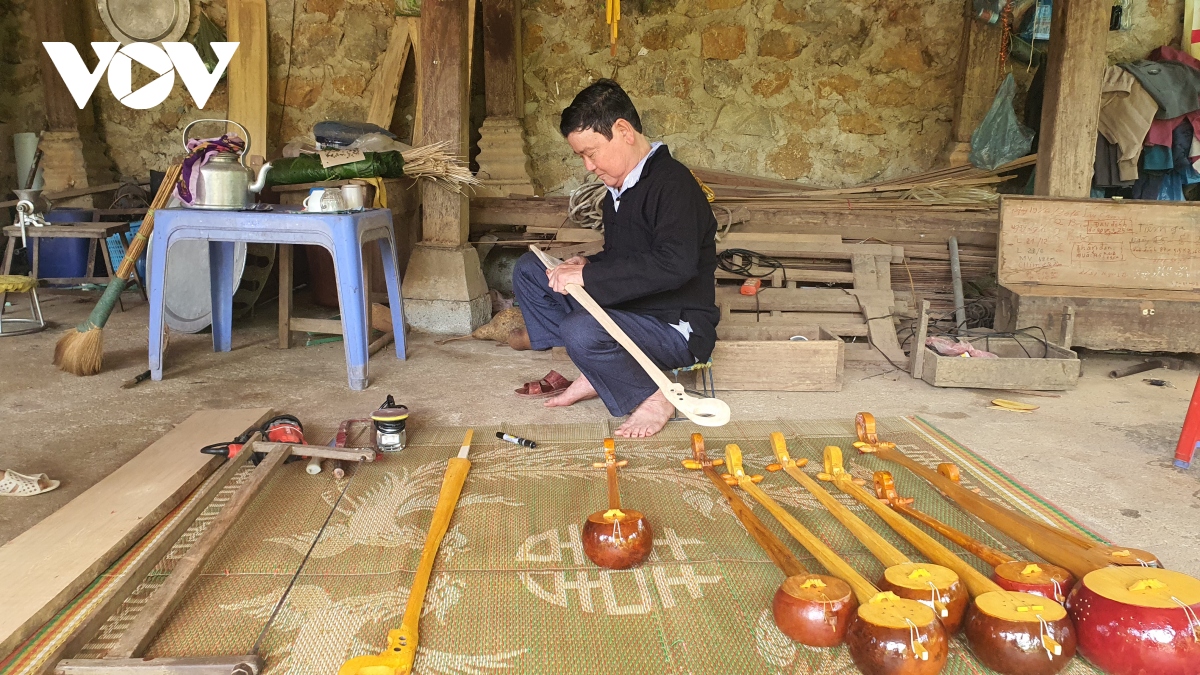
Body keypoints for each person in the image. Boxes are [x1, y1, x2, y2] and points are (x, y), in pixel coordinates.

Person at [511, 79, 719, 438]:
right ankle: (597, 370)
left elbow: (675, 264)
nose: (589, 166)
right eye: (581, 157)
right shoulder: (615, 194)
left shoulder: (673, 184)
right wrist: (587, 265)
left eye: (591, 153)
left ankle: (655, 397)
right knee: (531, 271)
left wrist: (589, 280)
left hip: (674, 326)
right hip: (633, 314)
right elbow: (625, 257)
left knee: (581, 329)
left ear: (622, 131)